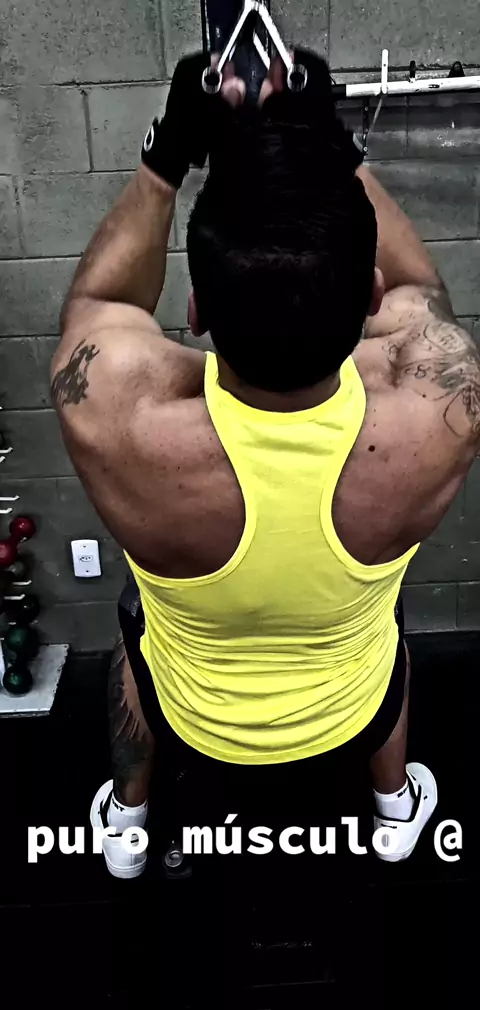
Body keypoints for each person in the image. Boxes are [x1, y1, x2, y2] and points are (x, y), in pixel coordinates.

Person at [51, 49, 480, 878]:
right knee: (383, 627)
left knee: (133, 625)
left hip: (189, 716)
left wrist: (168, 151)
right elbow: (423, 294)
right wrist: (333, 141)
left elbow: (99, 305)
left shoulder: (122, 420)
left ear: (196, 310)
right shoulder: (439, 411)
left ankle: (127, 829)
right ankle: (395, 809)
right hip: (352, 708)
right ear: (369, 299)